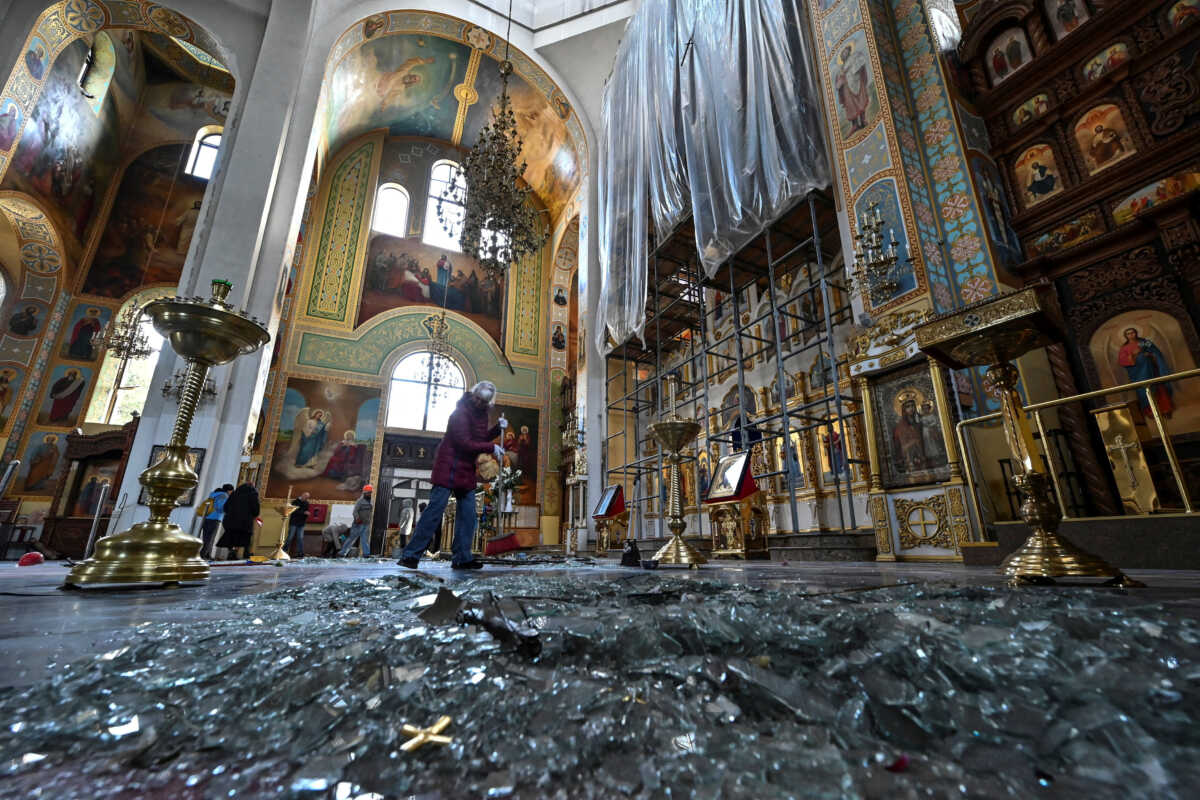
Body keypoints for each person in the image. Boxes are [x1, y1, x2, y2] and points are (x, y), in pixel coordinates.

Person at [399, 381, 506, 570]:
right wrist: (491, 447)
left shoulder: (482, 415)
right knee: (434, 511)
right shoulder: (460, 413)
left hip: (465, 469)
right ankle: (410, 555)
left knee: (469, 515)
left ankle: (462, 558)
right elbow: (464, 442)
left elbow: (479, 439)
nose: (480, 404)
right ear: (474, 395)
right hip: (448, 465)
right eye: (479, 399)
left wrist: (497, 429)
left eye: (485, 402)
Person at [218, 483, 260, 560]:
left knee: (232, 536)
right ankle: (246, 554)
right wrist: (253, 515)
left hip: (231, 520)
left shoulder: (234, 494)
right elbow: (256, 510)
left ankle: (232, 552)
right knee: (244, 537)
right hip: (245, 521)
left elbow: (226, 507)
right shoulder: (253, 495)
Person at [198, 483, 233, 560]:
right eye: (231, 491)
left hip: (207, 517)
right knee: (210, 538)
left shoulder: (213, 494)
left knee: (206, 537)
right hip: (215, 518)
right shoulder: (224, 495)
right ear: (229, 490)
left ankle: (207, 554)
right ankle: (203, 554)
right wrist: (227, 509)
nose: (231, 493)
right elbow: (220, 507)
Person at [339, 485, 374, 557]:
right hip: (358, 524)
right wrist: (357, 519)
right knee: (351, 538)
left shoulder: (371, 501)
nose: (369, 494)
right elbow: (355, 512)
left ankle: (366, 554)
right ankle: (342, 553)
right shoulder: (360, 501)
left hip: (366, 524)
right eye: (368, 492)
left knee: (365, 540)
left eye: (370, 492)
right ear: (364, 493)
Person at [283, 491, 311, 558]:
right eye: (305, 497)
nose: (306, 499)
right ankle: (283, 551)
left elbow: (305, 511)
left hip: (301, 523)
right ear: (302, 495)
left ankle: (300, 553)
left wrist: (307, 514)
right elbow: (293, 511)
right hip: (294, 522)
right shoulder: (295, 502)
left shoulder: (307, 503)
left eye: (307, 498)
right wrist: (304, 513)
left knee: (300, 538)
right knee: (290, 537)